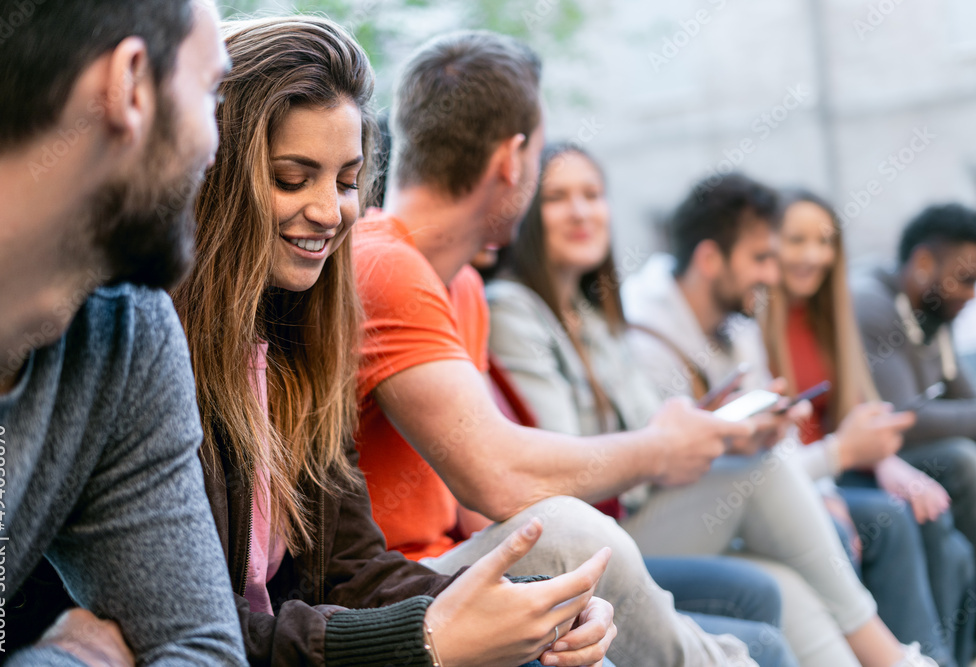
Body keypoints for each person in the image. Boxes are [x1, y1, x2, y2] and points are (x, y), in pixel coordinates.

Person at [171, 16, 617, 667]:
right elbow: (185, 629)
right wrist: (423, 638)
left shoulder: (301, 341)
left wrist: (538, 604)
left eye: (346, 180)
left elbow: (351, 570)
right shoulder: (157, 350)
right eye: (293, 178)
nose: (330, 210)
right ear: (215, 176)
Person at [354, 28, 770, 667]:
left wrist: (582, 599)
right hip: (394, 597)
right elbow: (498, 476)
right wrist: (661, 449)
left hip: (455, 567)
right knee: (573, 532)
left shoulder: (460, 284)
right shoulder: (383, 264)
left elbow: (478, 506)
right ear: (512, 161)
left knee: (759, 619)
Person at [489, 148, 931, 667]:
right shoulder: (515, 310)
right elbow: (569, 465)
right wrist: (692, 441)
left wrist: (706, 433)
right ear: (522, 208)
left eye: (592, 195)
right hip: (596, 531)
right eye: (558, 198)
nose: (581, 211)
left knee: (786, 581)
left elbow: (645, 433)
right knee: (765, 475)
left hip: (643, 506)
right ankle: (892, 658)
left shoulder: (594, 313)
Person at [0, 1, 247, 664]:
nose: (216, 145)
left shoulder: (121, 331)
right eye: (211, 91)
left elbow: (203, 648)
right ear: (129, 85)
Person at [760, 190, 975, 667]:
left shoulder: (828, 315)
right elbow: (899, 415)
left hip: (837, 467)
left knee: (926, 508)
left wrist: (887, 462)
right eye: (797, 240)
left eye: (824, 241)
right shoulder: (757, 323)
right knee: (904, 509)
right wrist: (830, 481)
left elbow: (863, 412)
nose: (813, 255)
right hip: (802, 476)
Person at [852, 204, 976, 579]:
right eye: (967, 278)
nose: (971, 294)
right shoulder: (871, 302)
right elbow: (904, 417)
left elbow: (964, 398)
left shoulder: (935, 311)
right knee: (961, 458)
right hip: (870, 463)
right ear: (923, 263)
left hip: (909, 456)